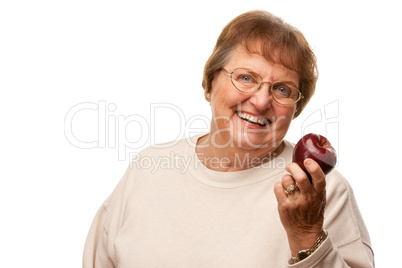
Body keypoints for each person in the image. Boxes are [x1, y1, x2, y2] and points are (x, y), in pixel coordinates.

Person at [83, 10, 374, 267]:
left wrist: (307, 235)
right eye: (246, 77)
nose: (261, 101)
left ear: (295, 108)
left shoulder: (320, 191)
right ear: (210, 83)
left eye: (282, 90)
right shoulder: (148, 167)